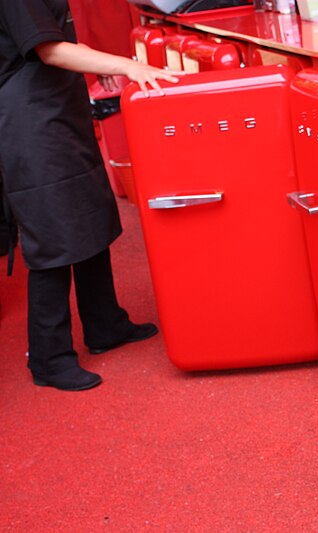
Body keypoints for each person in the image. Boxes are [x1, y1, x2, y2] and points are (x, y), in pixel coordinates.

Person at [0, 0, 183, 391]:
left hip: (56, 109)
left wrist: (96, 66)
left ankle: (105, 324)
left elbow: (60, 43)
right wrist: (126, 65)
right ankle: (49, 358)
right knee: (52, 236)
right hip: (30, 121)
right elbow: (48, 50)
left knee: (89, 216)